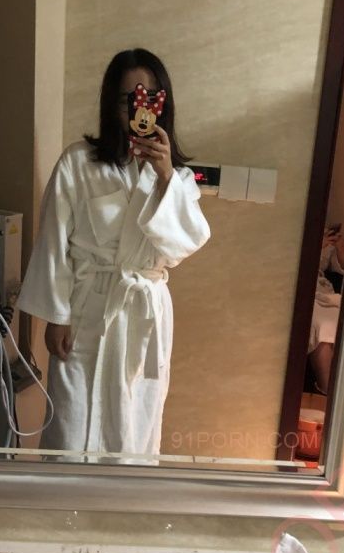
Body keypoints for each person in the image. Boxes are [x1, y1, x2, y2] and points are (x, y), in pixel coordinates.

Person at [17, 48, 210, 455]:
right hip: (87, 310)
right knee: (72, 426)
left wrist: (164, 180)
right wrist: (56, 317)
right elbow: (53, 241)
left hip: (143, 315)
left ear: (162, 105)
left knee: (136, 425)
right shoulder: (78, 162)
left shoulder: (177, 178)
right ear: (112, 103)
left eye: (150, 98)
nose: (140, 108)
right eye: (129, 99)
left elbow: (183, 246)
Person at [308, 226, 344, 395]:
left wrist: (339, 246)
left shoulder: (327, 237)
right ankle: (326, 389)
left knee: (341, 321)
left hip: (325, 291)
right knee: (322, 324)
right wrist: (316, 246)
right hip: (303, 287)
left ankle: (343, 390)